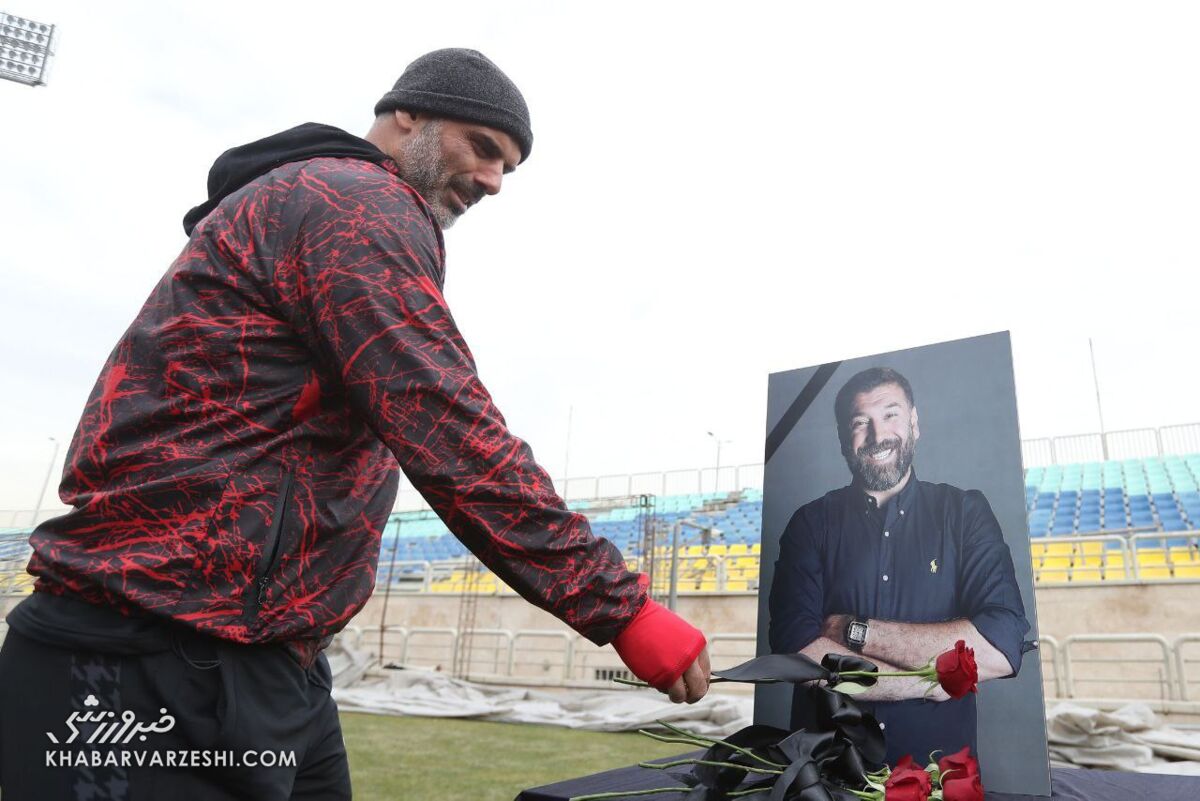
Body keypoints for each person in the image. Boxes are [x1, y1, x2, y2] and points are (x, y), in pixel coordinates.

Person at [0, 49, 710, 801]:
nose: (495, 181)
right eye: (484, 148)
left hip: (266, 653)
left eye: (509, 167)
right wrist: (617, 605)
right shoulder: (351, 201)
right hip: (153, 651)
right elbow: (446, 424)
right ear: (409, 115)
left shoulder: (332, 203)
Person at [768, 366, 1030, 764]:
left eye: (890, 414)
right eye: (861, 422)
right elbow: (799, 656)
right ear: (843, 439)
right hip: (825, 776)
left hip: (939, 777)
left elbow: (999, 646)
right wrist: (928, 682)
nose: (878, 435)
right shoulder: (809, 524)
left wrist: (850, 630)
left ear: (914, 422)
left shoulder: (965, 513)